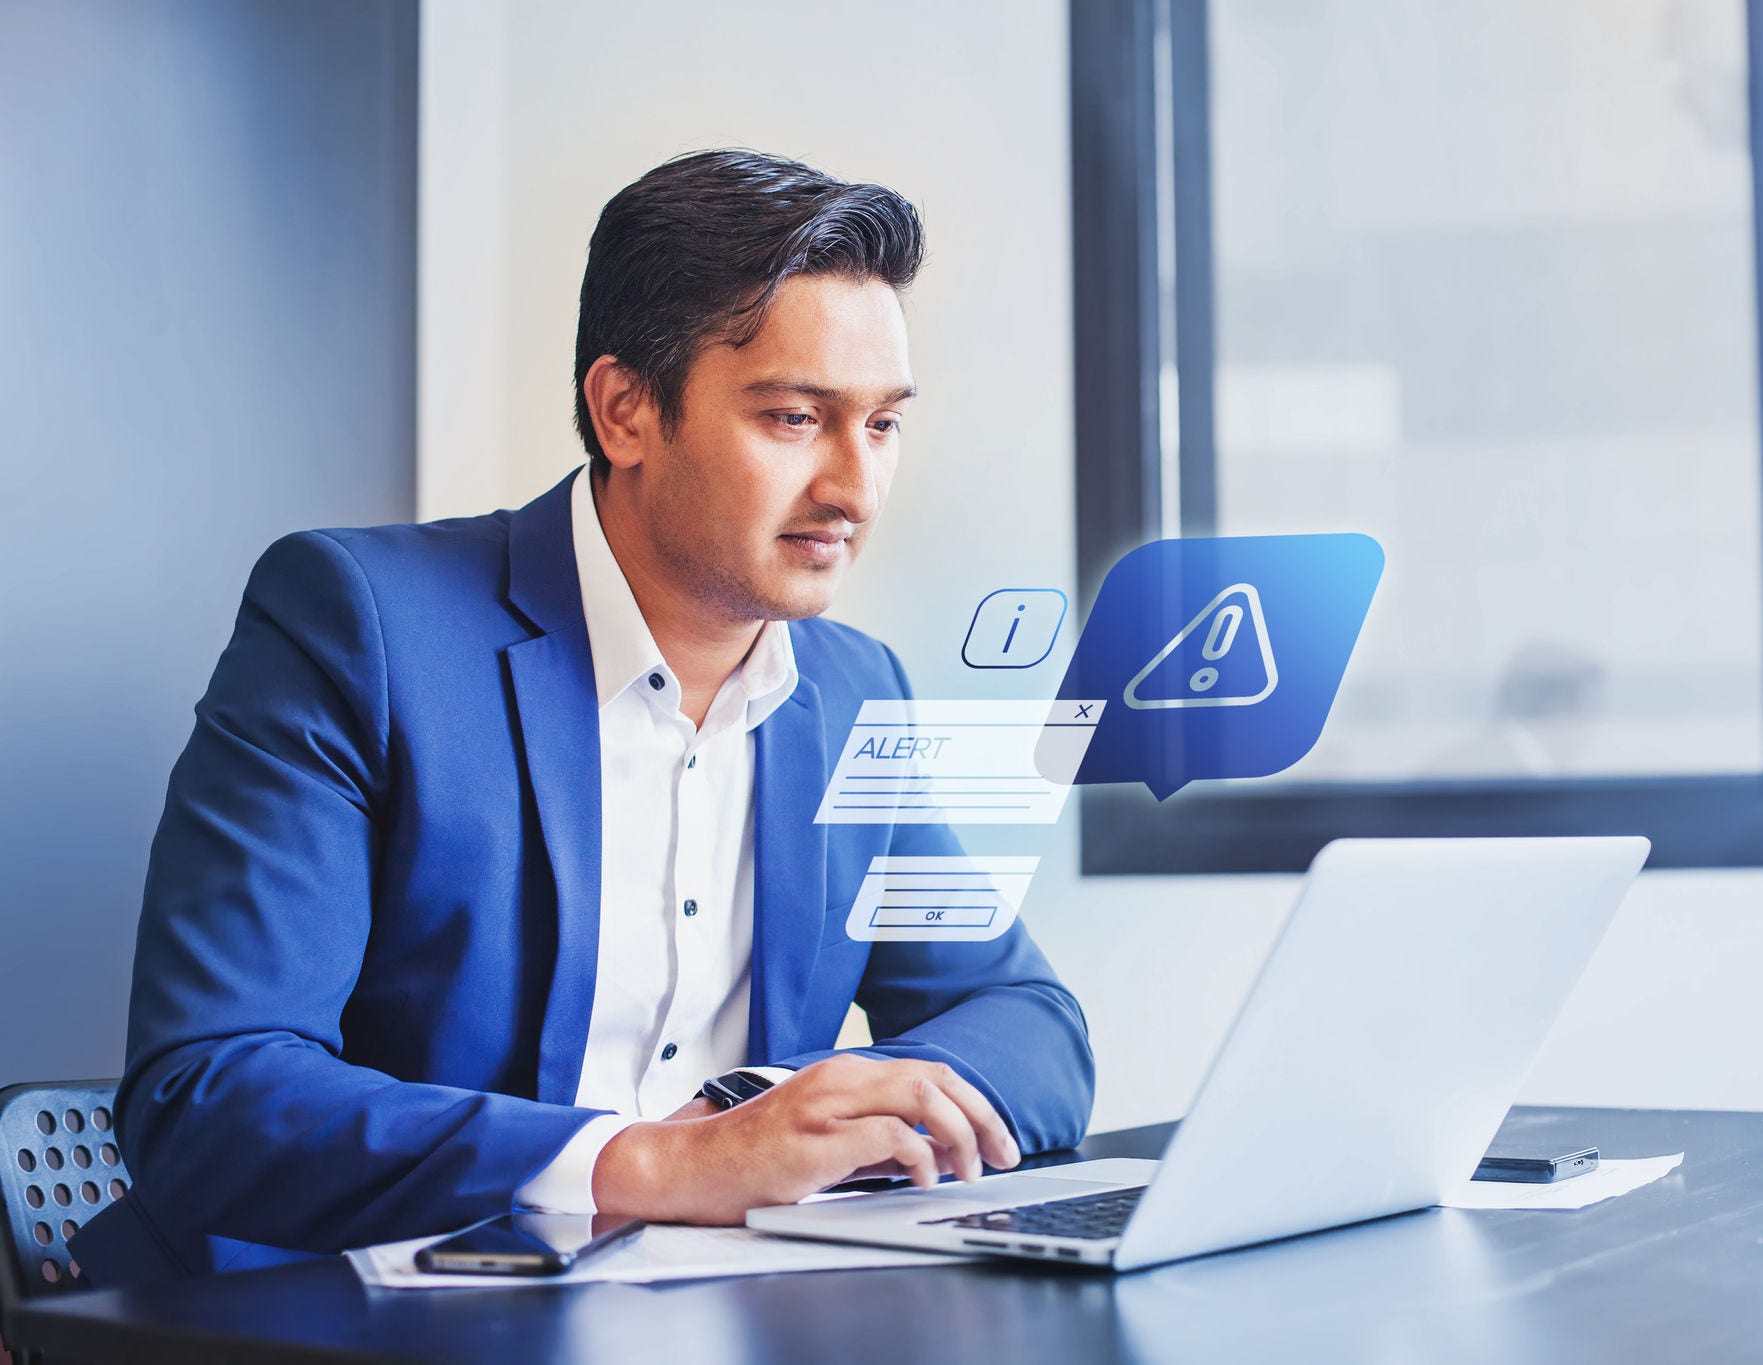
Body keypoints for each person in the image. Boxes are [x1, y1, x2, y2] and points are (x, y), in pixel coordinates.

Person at [74, 149, 1094, 1282]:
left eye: (884, 425)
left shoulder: (856, 690)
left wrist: (756, 1116)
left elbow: (1027, 1022)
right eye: (797, 418)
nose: (855, 489)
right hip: (328, 1315)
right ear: (624, 411)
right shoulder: (358, 626)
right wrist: (657, 1166)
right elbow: (211, 1092)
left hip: (691, 1315)